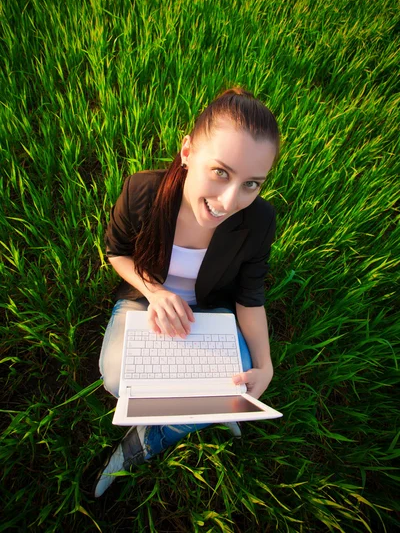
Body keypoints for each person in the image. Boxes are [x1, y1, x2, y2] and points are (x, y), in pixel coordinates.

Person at [93, 86, 280, 497]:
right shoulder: (142, 192)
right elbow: (116, 252)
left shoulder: (260, 220)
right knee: (115, 377)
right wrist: (155, 291)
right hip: (144, 302)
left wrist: (265, 364)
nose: (231, 200)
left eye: (252, 183)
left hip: (212, 311)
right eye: (221, 172)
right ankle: (203, 413)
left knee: (242, 382)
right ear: (187, 151)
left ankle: (149, 438)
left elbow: (250, 294)